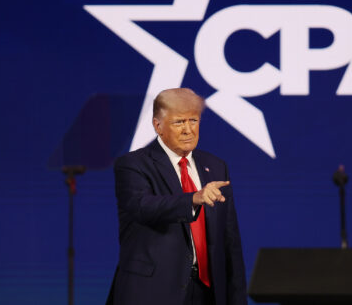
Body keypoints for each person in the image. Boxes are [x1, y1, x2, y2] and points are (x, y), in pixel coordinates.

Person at [106, 88, 247, 305]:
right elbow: (142, 206)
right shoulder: (133, 164)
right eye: (179, 122)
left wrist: (236, 298)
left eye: (193, 120)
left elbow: (230, 242)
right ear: (158, 125)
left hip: (207, 294)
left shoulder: (216, 167)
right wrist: (192, 199)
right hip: (153, 292)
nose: (188, 130)